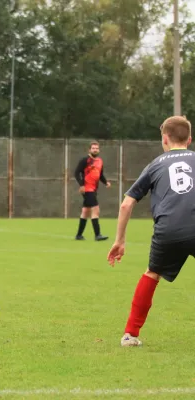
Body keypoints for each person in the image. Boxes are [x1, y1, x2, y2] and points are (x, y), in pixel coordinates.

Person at [108, 115, 195, 347]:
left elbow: (127, 203)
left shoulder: (156, 164)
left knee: (152, 274)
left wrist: (120, 240)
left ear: (164, 139)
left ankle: (130, 335)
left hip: (167, 230)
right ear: (190, 139)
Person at [74, 141, 111, 241]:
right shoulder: (85, 160)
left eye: (97, 148)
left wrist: (105, 182)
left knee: (86, 211)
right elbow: (77, 173)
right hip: (87, 189)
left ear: (99, 150)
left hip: (94, 189)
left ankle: (79, 235)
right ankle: (98, 235)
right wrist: (81, 185)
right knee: (96, 210)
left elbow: (100, 174)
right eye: (93, 148)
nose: (95, 150)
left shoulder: (100, 161)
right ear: (89, 150)